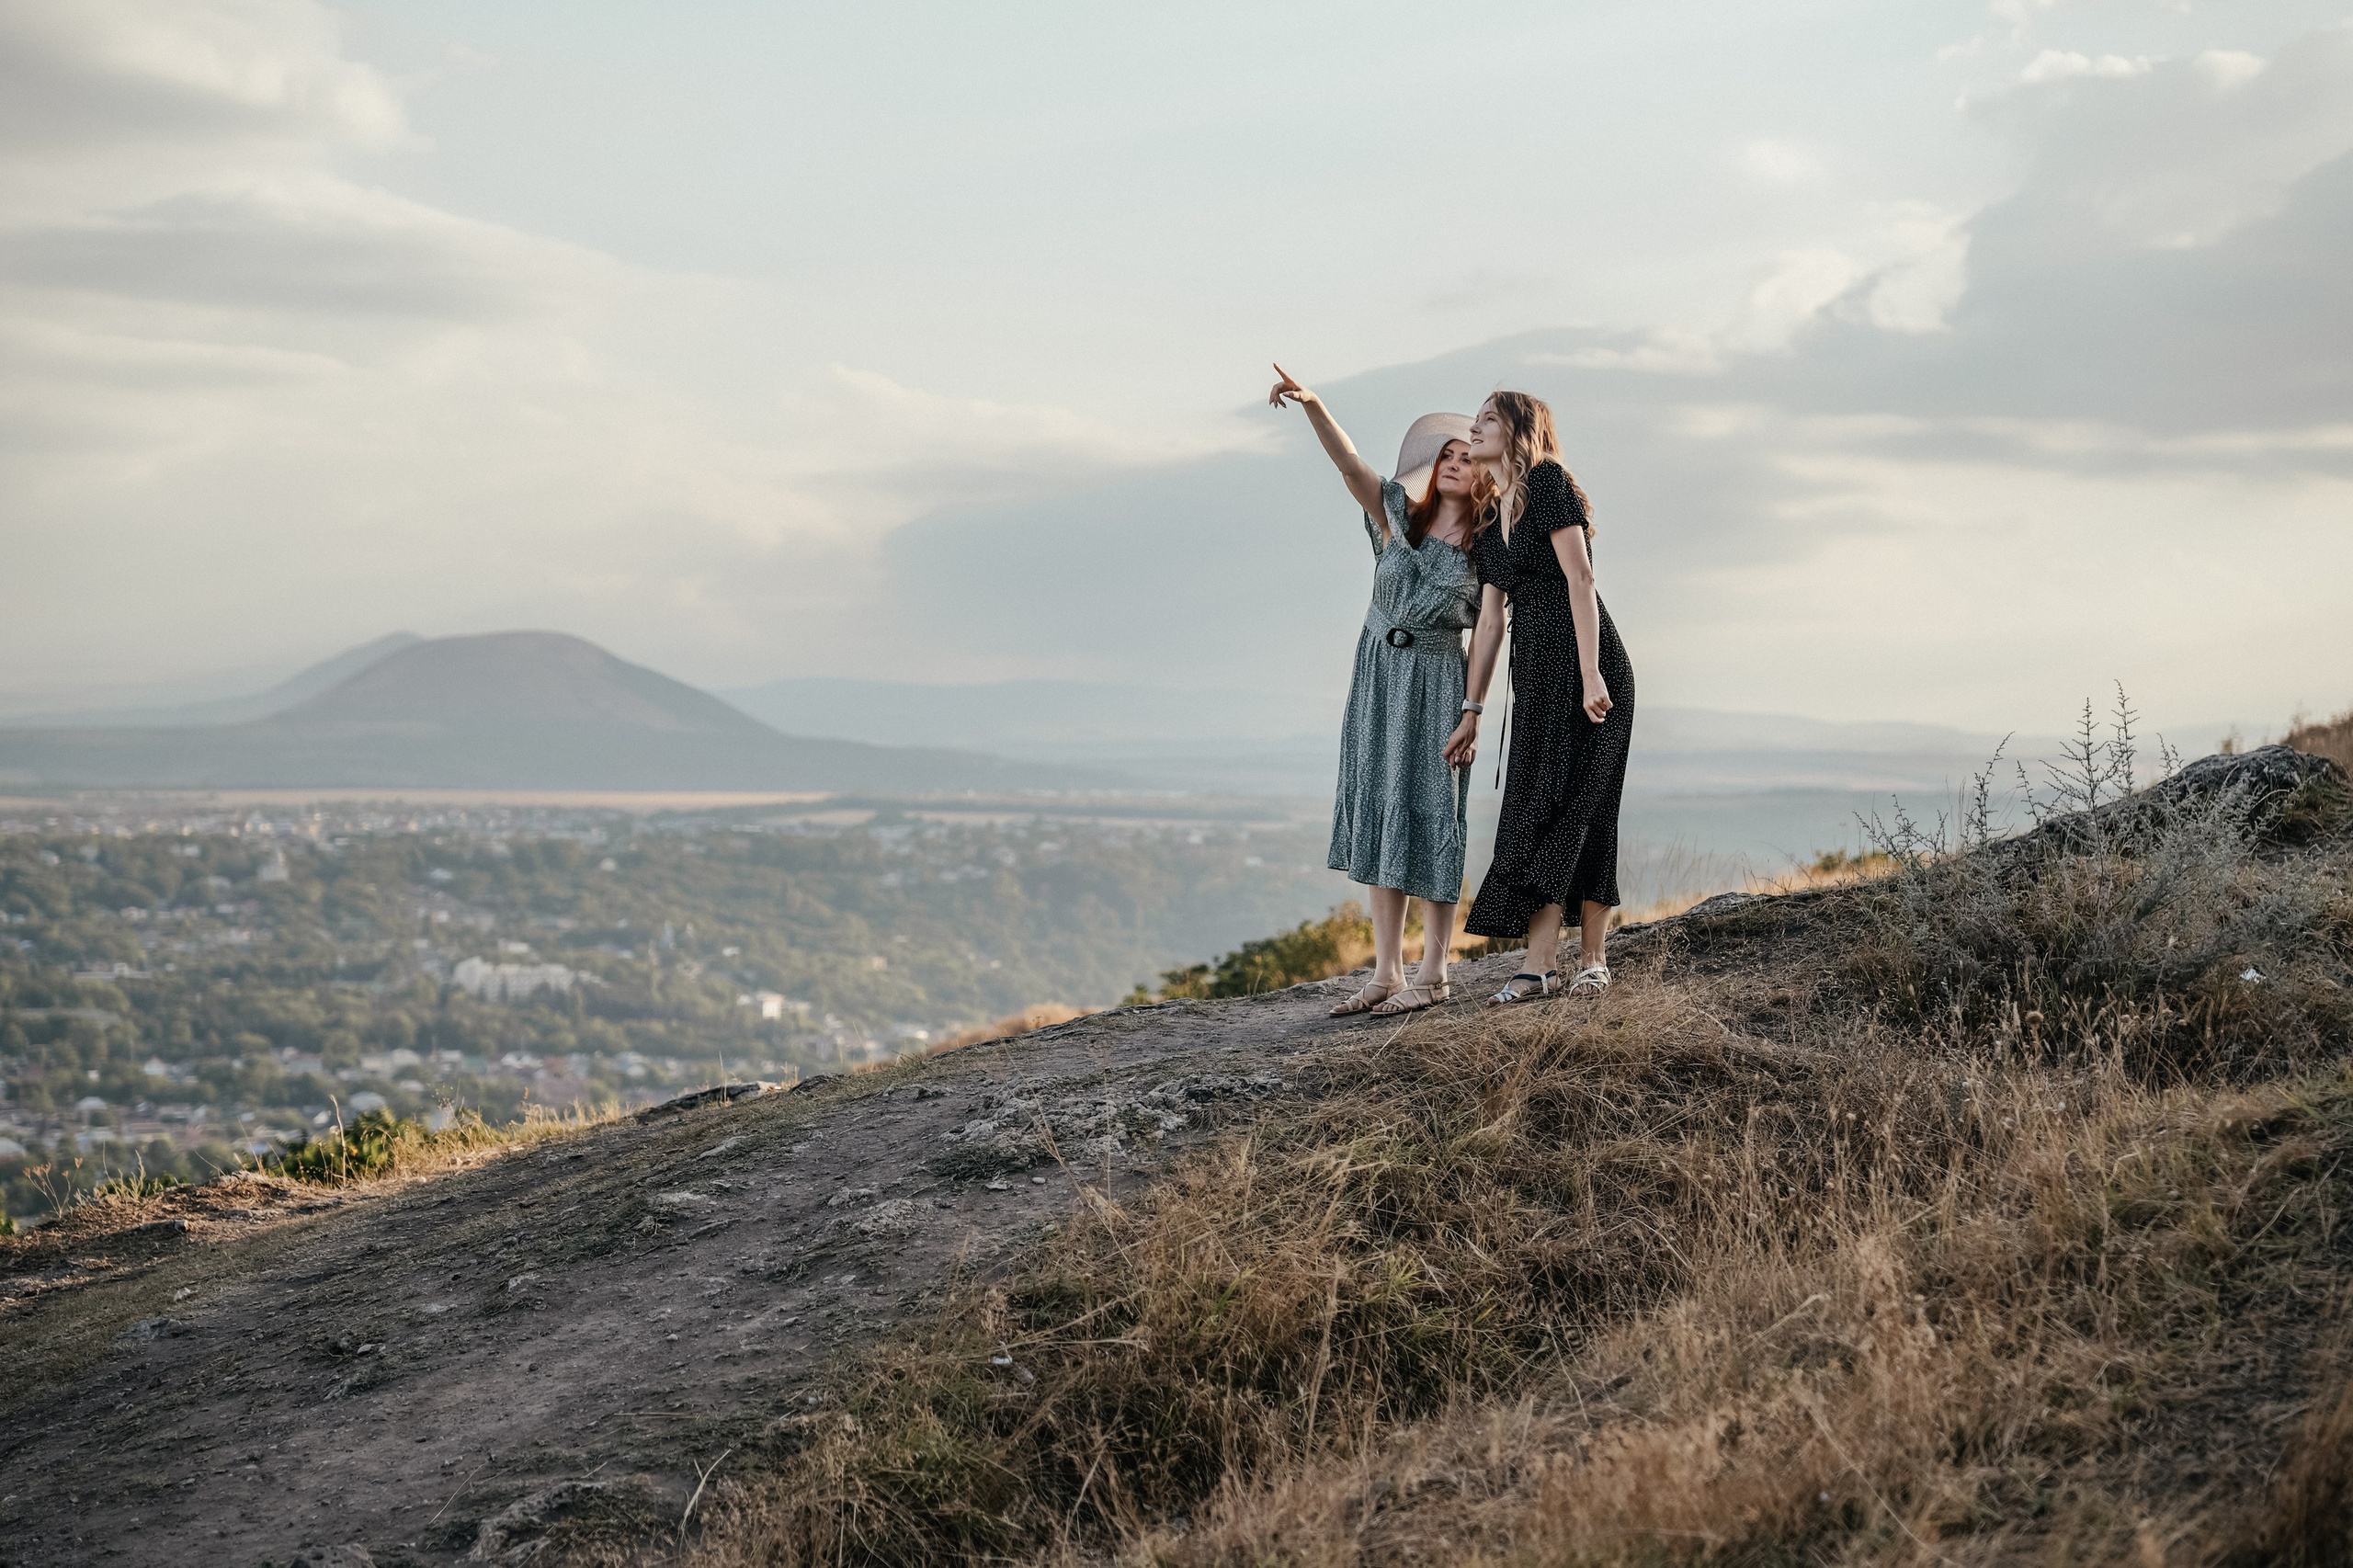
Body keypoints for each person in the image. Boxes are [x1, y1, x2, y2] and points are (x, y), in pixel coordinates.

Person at [1269, 364, 1487, 1016]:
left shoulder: (1489, 548)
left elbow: (1491, 633)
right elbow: (1348, 463)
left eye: (1466, 457)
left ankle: (1434, 973)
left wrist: (1473, 711)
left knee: (1433, 819)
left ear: (1485, 474)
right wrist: (1313, 404)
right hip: (1377, 678)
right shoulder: (1396, 515)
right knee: (1381, 811)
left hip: (1439, 681)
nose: (1453, 463)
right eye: (1445, 455)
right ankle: (1385, 971)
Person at [1443, 391, 1636, 1003]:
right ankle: (1540, 964)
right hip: (1536, 680)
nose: (1473, 428)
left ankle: (1591, 960)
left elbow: (1581, 578)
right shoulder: (1489, 513)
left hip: (1591, 672)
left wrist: (1591, 675)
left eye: (1488, 420)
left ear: (1520, 430)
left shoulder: (1550, 482)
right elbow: (1492, 622)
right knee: (1533, 807)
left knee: (1584, 805)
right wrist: (1473, 711)